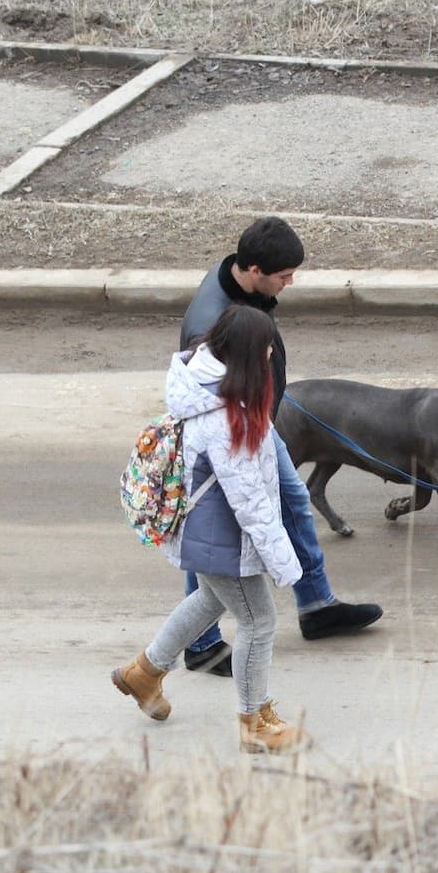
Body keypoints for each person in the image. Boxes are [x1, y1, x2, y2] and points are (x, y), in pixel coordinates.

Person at [179, 216, 382, 675]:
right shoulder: (210, 326)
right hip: (231, 439)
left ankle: (316, 605)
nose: (289, 285)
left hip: (256, 424)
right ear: (253, 269)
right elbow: (212, 400)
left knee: (293, 499)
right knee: (209, 538)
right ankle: (201, 645)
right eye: (284, 277)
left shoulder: (241, 282)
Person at [113, 305, 306, 753]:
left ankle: (143, 674)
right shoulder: (225, 418)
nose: (271, 354)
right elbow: (250, 501)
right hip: (223, 541)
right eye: (266, 349)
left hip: (207, 533)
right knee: (259, 621)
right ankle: (254, 723)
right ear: (244, 357)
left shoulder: (207, 389)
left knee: (207, 602)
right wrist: (285, 561)